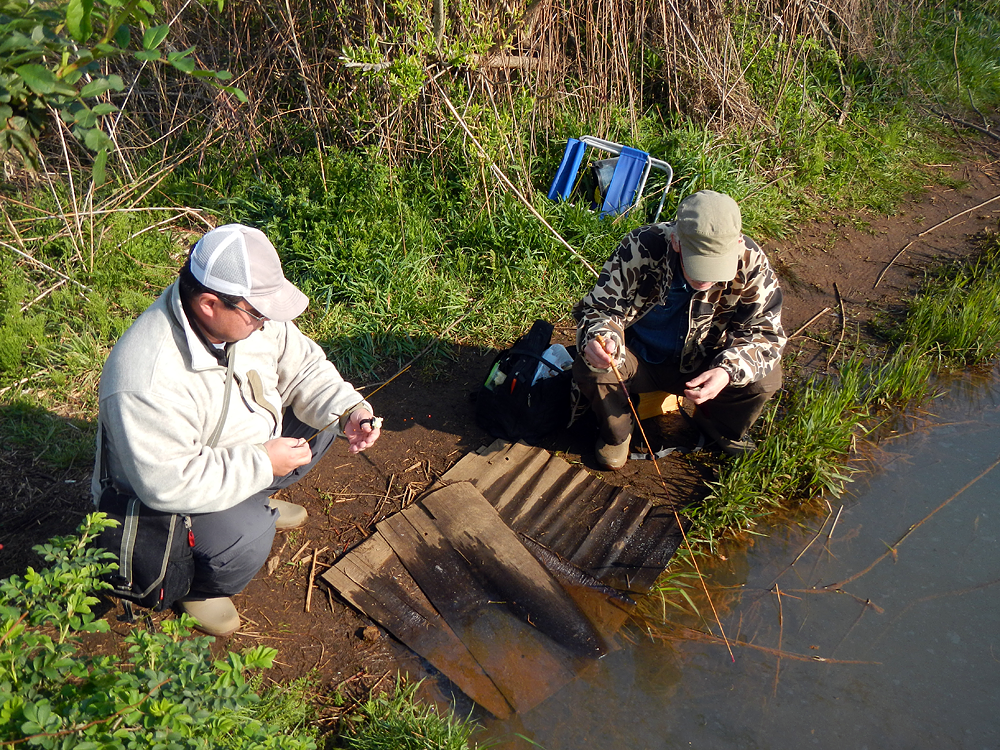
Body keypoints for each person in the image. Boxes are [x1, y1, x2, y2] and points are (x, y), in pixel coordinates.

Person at [92, 223, 381, 635]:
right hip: (169, 498)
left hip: (239, 454)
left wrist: (349, 408)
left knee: (327, 421)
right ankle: (200, 586)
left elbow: (304, 368)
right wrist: (264, 462)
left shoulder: (245, 316)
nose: (267, 323)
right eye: (258, 313)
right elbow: (168, 483)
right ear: (209, 303)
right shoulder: (145, 377)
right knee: (247, 537)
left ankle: (254, 499)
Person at [572, 190, 785, 470]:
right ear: (675, 240)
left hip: (705, 363)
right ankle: (617, 433)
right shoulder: (641, 245)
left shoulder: (751, 261)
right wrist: (601, 338)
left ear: (736, 243)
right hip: (638, 361)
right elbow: (599, 310)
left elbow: (766, 336)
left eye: (716, 267)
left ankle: (718, 425)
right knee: (593, 365)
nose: (707, 278)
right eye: (698, 264)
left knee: (765, 379)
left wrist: (726, 371)